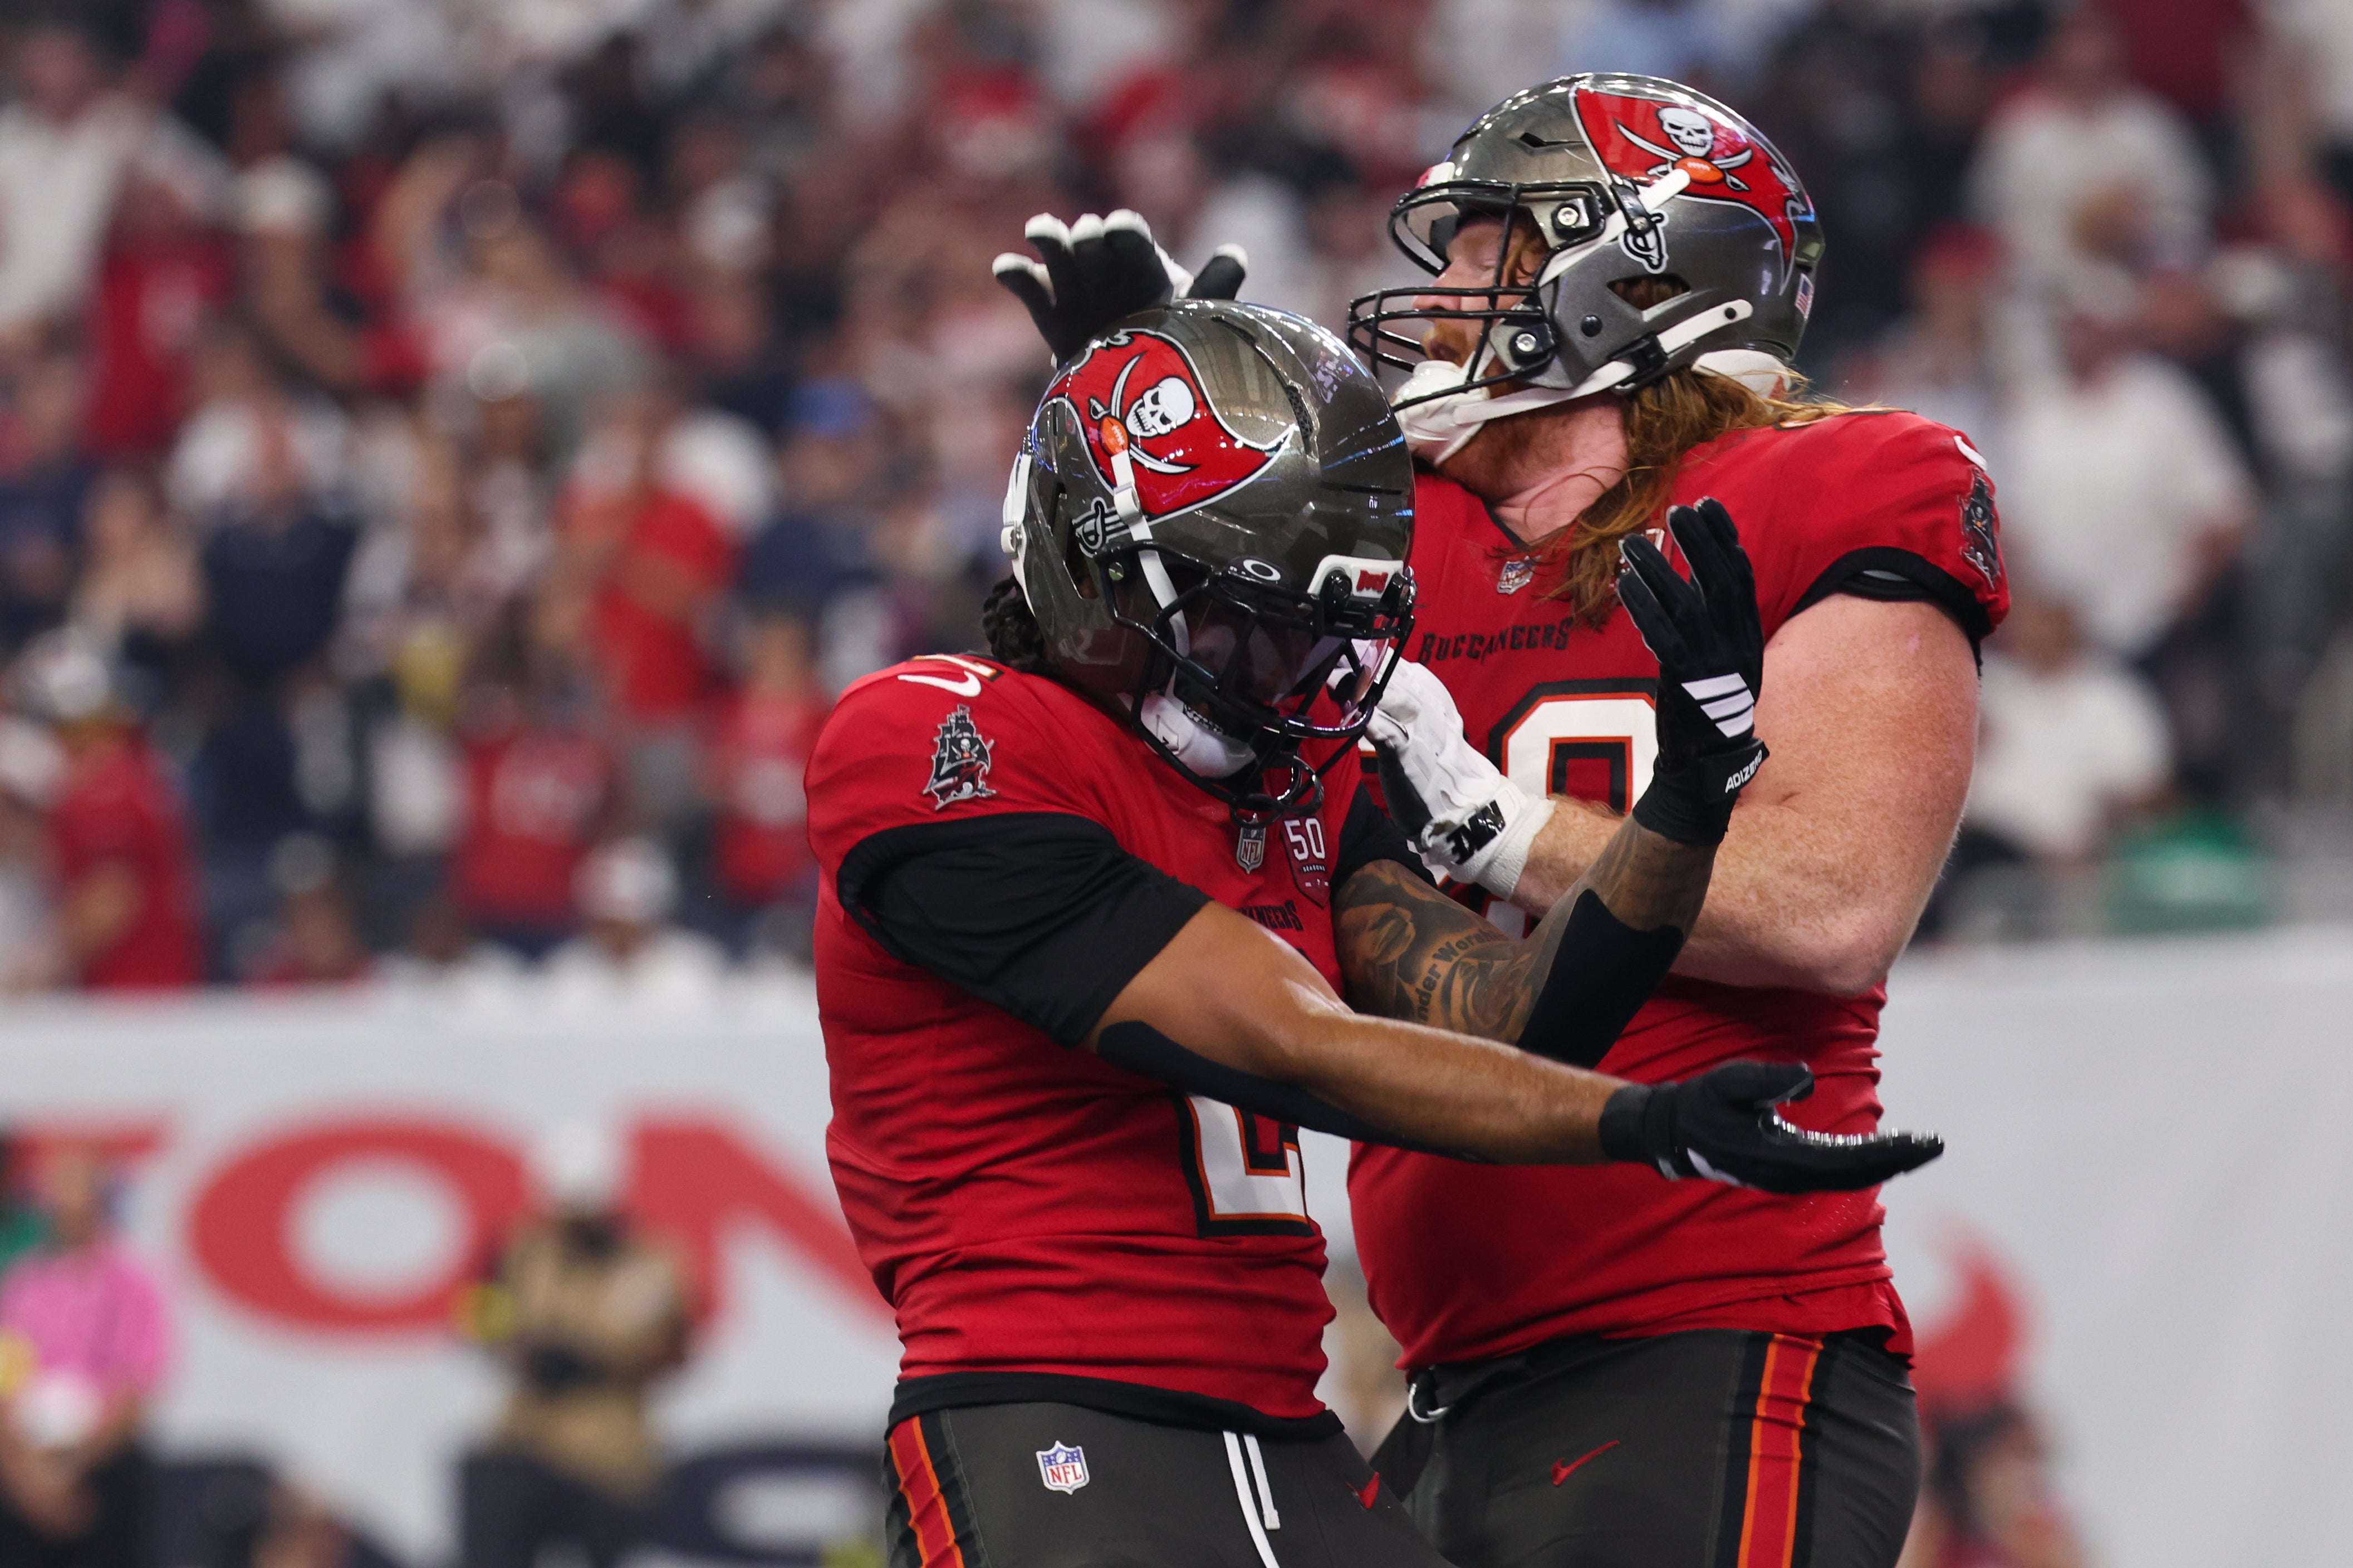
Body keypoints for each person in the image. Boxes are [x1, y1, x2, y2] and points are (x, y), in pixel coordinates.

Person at [996, 73, 2009, 1568]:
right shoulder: (1390, 528)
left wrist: (1496, 828)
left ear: (1632, 274)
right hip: (1448, 1387)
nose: (1437, 293)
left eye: (1483, 250)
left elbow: (1830, 903)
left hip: (1715, 1337)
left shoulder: (1837, 483)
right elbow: (1142, 752)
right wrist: (1163, 441)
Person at [809, 299, 1940, 1567]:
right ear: (1098, 571)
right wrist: (1645, 1123)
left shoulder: (1291, 785)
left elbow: (1514, 1021)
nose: (1292, 670)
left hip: (1287, 1432)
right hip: (1053, 1409)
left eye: (1318, 628)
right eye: (1252, 620)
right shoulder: (935, 738)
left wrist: (1684, 795)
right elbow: (1290, 1041)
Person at [455, 1122, 692, 1568]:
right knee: (488, 1494)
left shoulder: (653, 1261)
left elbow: (673, 1349)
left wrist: (594, 1363)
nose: (573, 1225)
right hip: (526, 1440)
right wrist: (515, 1350)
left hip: (608, 1454)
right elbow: (476, 1315)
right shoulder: (523, 1250)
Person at [0, 1142, 173, 1568]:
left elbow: (135, 1391)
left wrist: (72, 1465)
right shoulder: (24, 1284)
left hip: (103, 1466)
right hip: (26, 1465)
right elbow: (5, 1381)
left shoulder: (134, 1284)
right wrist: (26, 1476)